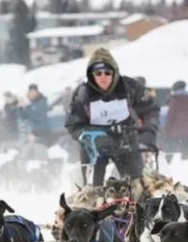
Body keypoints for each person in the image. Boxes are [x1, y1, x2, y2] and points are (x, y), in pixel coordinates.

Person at [65, 47, 160, 187]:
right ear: (91, 75)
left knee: (137, 187)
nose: (103, 77)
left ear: (114, 72)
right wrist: (93, 136)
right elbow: (73, 125)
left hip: (126, 143)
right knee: (92, 193)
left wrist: (148, 132)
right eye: (98, 73)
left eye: (107, 72)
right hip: (94, 149)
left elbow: (151, 109)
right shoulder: (82, 94)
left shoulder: (129, 87)